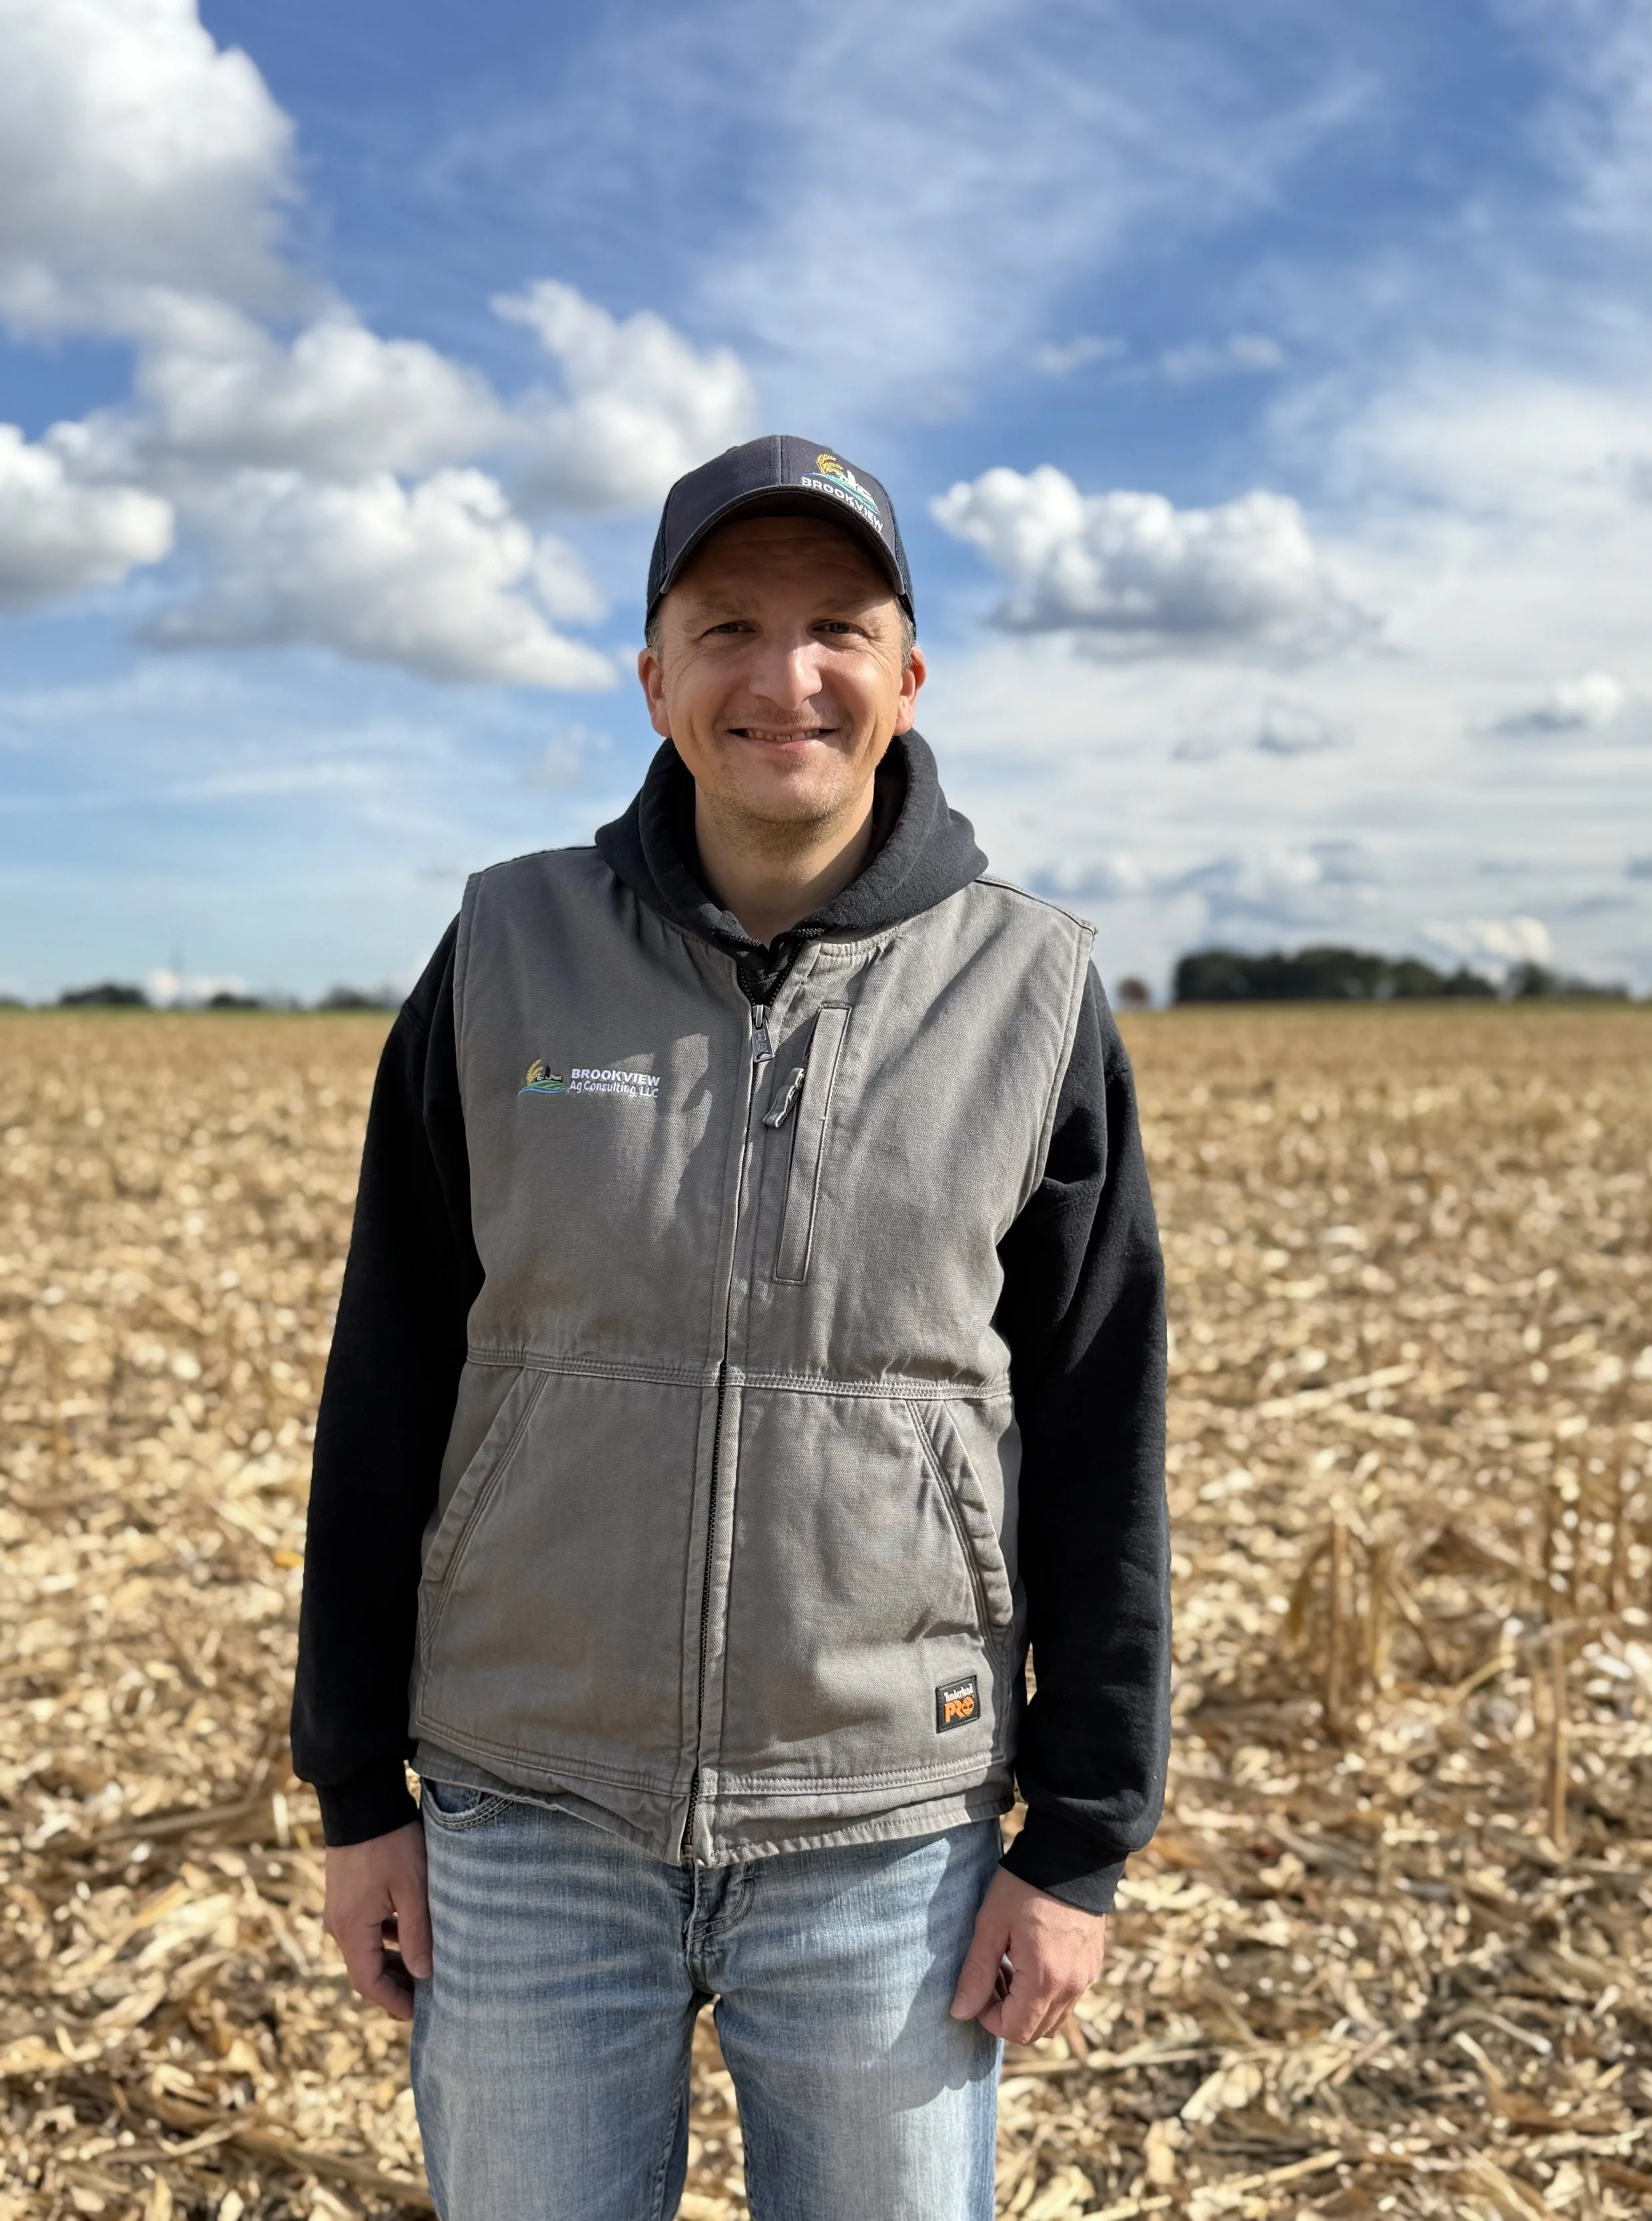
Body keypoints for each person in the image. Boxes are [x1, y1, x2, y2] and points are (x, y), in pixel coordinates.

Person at [292, 434, 1169, 2221]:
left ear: (908, 674)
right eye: (726, 627)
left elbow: (1098, 1434)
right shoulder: (502, 952)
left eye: (838, 626)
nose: (787, 678)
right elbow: (387, 1382)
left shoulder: (1029, 991)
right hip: (523, 1816)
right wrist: (350, 1784)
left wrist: (1077, 1845)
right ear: (653, 676)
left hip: (886, 1835)